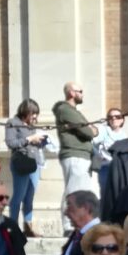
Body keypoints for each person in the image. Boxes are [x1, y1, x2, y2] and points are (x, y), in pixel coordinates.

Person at [53, 82, 99, 232]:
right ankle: (68, 225)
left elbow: (92, 129)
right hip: (74, 154)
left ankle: (81, 223)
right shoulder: (65, 110)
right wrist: (90, 129)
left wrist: (90, 128)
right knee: (73, 191)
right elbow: (88, 132)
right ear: (71, 93)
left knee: (82, 191)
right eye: (80, 91)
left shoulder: (73, 111)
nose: (82, 94)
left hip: (82, 155)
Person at [4, 99, 49, 237]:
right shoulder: (13, 122)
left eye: (36, 114)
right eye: (33, 113)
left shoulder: (31, 125)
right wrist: (30, 139)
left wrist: (41, 141)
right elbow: (11, 143)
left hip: (33, 163)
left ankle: (28, 228)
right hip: (21, 163)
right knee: (19, 196)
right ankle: (13, 228)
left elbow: (33, 144)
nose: (35, 116)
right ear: (26, 111)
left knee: (29, 197)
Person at [54, 190, 101, 255]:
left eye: (69, 205)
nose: (66, 212)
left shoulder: (101, 237)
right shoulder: (77, 235)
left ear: (86, 208)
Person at [94, 109, 128, 195]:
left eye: (117, 117)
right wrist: (99, 157)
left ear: (122, 120)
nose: (114, 119)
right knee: (105, 192)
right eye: (111, 117)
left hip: (119, 168)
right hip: (105, 166)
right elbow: (92, 144)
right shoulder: (103, 130)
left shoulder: (124, 135)